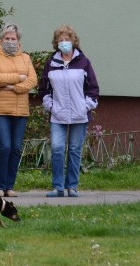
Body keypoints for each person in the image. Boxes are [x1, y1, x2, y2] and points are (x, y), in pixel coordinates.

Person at [38, 25, 99, 198]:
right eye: (61, 40)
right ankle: (58, 187)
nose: (64, 43)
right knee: (57, 148)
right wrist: (50, 106)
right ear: (56, 43)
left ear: (74, 42)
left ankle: (72, 187)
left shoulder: (83, 62)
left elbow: (93, 88)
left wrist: (86, 106)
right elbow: (43, 89)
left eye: (67, 39)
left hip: (80, 115)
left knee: (74, 149)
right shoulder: (51, 63)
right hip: (57, 115)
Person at [0, 23, 37, 198]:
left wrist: (14, 87)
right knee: (5, 146)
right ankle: (0, 186)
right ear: (1, 39)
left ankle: (9, 186)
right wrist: (19, 77)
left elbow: (32, 81)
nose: (10, 41)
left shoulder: (26, 58)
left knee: (15, 148)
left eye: (13, 38)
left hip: (20, 110)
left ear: (18, 40)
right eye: (6, 38)